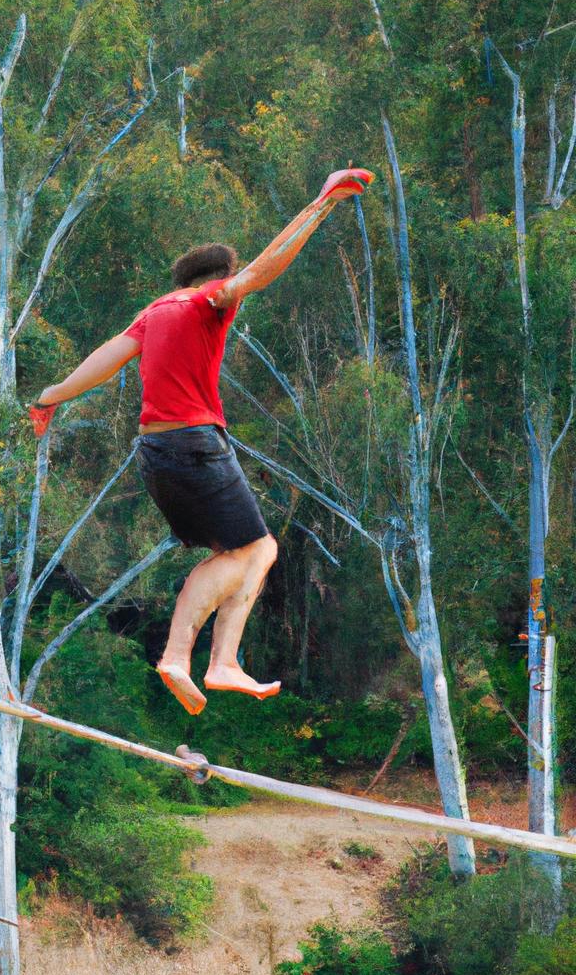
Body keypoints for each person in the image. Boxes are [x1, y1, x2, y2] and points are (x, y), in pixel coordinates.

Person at [28, 168, 375, 714]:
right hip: (194, 445)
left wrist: (48, 398)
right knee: (260, 548)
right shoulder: (209, 299)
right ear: (215, 278)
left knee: (235, 554)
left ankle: (208, 661)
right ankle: (202, 660)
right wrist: (321, 204)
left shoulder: (154, 312)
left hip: (154, 456)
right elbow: (263, 270)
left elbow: (100, 364)